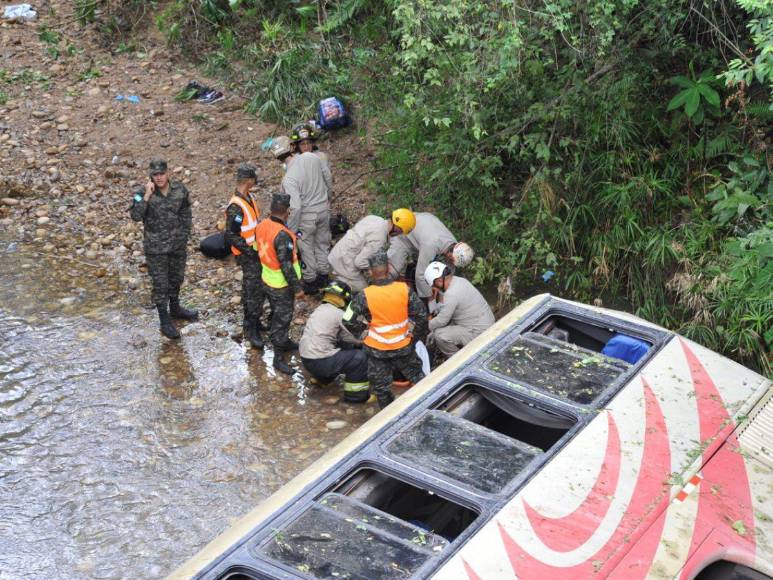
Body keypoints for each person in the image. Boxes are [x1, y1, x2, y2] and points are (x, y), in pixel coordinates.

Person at [342, 250, 428, 409]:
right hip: (403, 346)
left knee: (382, 388)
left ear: (370, 272)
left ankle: (388, 417)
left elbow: (347, 319)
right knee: (417, 377)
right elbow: (422, 315)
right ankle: (428, 407)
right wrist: (414, 336)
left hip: (377, 349)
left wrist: (363, 332)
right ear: (388, 268)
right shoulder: (404, 289)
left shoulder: (364, 295)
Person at [129, 159, 198, 339]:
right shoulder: (142, 193)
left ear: (168, 173)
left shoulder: (179, 189)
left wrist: (184, 235)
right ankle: (164, 320)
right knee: (160, 284)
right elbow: (135, 216)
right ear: (151, 175)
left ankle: (175, 308)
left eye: (161, 174)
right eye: (155, 175)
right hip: (156, 248)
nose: (159, 178)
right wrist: (146, 196)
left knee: (176, 278)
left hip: (177, 245)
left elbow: (186, 212)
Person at [270, 134, 332, 295]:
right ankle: (324, 274)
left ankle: (311, 281)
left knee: (306, 248)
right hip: (323, 210)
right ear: (291, 147)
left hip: (307, 216)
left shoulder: (289, 178)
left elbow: (295, 207)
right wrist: (327, 198)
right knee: (322, 242)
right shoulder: (311, 157)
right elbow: (327, 177)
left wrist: (290, 230)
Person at [255, 193, 304, 375]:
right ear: (287, 212)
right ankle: (278, 358)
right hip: (281, 285)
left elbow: (257, 249)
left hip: (266, 278)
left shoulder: (261, 226)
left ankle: (284, 342)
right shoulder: (283, 235)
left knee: (277, 315)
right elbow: (286, 266)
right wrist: (297, 288)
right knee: (281, 320)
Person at [299, 281, 370, 403]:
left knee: (340, 345)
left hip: (307, 359)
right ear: (344, 299)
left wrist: (355, 342)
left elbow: (345, 337)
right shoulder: (339, 314)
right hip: (320, 361)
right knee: (360, 358)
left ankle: (321, 380)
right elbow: (357, 335)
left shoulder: (320, 309)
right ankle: (356, 397)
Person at [224, 164, 264, 349]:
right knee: (252, 291)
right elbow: (231, 235)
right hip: (248, 255)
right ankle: (250, 329)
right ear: (248, 181)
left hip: (255, 252)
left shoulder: (249, 198)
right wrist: (250, 251)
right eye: (253, 180)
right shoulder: (236, 206)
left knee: (255, 289)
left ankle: (254, 323)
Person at [328, 209, 416, 292]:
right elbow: (360, 262)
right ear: (397, 228)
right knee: (366, 292)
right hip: (343, 264)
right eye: (401, 232)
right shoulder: (379, 238)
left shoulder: (375, 218)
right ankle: (339, 281)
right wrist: (378, 268)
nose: (398, 235)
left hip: (337, 253)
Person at [387, 212, 469, 300]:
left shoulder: (455, 245)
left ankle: (410, 277)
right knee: (392, 272)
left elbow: (449, 270)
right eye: (453, 262)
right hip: (402, 235)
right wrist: (430, 299)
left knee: (428, 269)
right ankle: (379, 293)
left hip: (420, 234)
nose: (452, 264)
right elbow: (420, 275)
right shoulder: (431, 244)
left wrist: (443, 290)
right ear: (451, 256)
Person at [424, 261, 495, 357]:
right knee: (443, 326)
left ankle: (457, 360)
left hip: (481, 334)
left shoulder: (451, 294)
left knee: (439, 335)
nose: (435, 288)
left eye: (434, 285)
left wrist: (428, 324)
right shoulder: (460, 280)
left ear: (439, 281)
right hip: (488, 323)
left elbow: (442, 320)